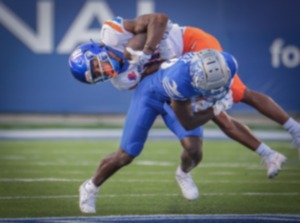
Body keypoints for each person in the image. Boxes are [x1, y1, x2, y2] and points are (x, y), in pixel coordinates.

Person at [97, 13, 292, 178]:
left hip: (190, 44)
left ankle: (294, 131)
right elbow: (154, 74)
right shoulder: (121, 78)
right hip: (179, 67)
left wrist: (146, 51)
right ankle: (269, 154)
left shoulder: (114, 34)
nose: (101, 70)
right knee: (217, 114)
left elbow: (160, 19)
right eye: (98, 74)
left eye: (98, 67)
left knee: (240, 93)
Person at [69, 44, 237, 213]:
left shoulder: (228, 63)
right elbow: (188, 122)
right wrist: (216, 108)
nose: (101, 71)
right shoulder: (179, 81)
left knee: (194, 151)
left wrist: (220, 94)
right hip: (151, 95)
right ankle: (90, 187)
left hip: (176, 89)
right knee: (127, 154)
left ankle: (183, 173)